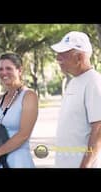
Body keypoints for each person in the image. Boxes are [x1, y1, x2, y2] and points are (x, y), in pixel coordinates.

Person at [0, 52, 38, 168]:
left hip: (18, 161)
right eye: (0, 69)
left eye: (8, 68)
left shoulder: (29, 96)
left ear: (19, 70)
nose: (4, 73)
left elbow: (23, 135)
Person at [51, 31, 101, 168]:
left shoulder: (94, 82)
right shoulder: (74, 82)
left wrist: (85, 165)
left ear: (79, 57)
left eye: (63, 54)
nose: (57, 58)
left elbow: (99, 129)